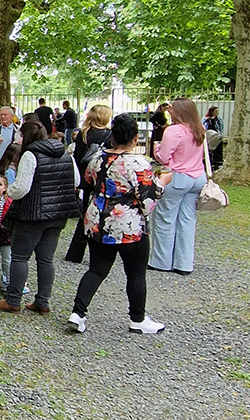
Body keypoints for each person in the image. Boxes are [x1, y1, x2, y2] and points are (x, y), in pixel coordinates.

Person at [67, 113, 165, 336]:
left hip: (97, 220)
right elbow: (148, 198)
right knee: (136, 273)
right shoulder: (138, 163)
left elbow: (88, 181)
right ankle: (137, 319)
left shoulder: (98, 158)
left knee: (97, 269)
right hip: (127, 225)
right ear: (135, 138)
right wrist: (162, 183)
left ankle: (78, 313)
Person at [0, 114, 79, 315]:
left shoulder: (30, 155)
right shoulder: (65, 153)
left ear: (27, 137)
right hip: (58, 213)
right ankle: (42, 301)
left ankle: (13, 300)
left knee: (20, 256)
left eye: (21, 136)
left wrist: (8, 191)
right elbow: (76, 180)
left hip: (33, 213)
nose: (19, 140)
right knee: (46, 259)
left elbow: (22, 187)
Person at [148, 97, 208, 276]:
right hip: (197, 177)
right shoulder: (199, 128)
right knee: (187, 220)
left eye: (173, 109)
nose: (170, 111)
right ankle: (184, 263)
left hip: (177, 177)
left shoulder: (173, 131)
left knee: (165, 218)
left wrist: (156, 148)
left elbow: (164, 157)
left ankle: (161, 261)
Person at [64, 104, 113, 263]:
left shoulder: (83, 134)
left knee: (86, 213)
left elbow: (78, 157)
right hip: (102, 178)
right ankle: (100, 252)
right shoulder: (108, 135)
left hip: (86, 177)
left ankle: (75, 252)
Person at [204, 105, 225, 172]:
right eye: (215, 111)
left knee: (218, 149)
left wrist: (220, 135)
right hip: (209, 135)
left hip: (216, 136)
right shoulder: (206, 120)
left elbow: (221, 128)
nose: (217, 112)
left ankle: (218, 161)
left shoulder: (219, 119)